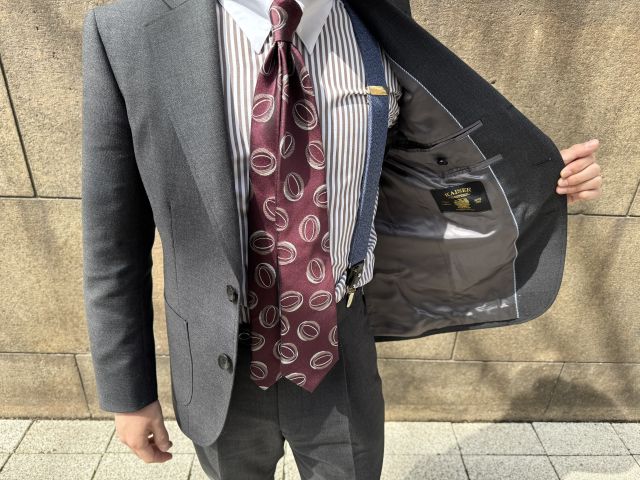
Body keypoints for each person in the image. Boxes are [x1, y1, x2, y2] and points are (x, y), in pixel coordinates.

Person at [81, 0, 603, 478]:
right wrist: (129, 393)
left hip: (338, 342)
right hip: (218, 357)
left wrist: (533, 181)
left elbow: (422, 164)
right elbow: (113, 241)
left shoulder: (376, 17)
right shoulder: (128, 32)